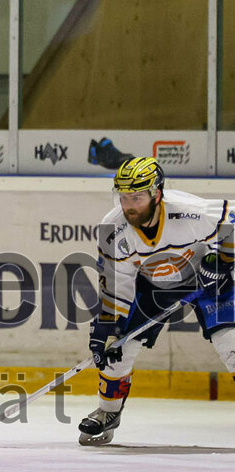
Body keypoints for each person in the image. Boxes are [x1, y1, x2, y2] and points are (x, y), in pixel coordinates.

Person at [84, 157, 235, 445]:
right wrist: (107, 325)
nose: (129, 205)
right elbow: (117, 283)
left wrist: (222, 261)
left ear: (157, 193)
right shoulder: (112, 228)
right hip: (154, 285)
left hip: (206, 278)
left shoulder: (190, 212)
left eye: (137, 197)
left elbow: (233, 221)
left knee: (232, 342)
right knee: (118, 350)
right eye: (124, 197)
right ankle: (108, 412)